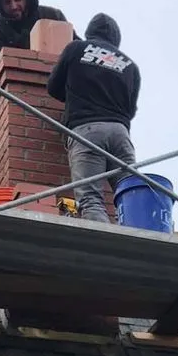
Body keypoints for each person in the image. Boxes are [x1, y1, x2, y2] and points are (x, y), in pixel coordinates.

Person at [46, 13, 140, 223]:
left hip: (87, 130)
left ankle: (104, 249)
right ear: (116, 39)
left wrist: (76, 98)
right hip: (120, 133)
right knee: (131, 194)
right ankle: (138, 241)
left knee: (90, 199)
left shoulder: (76, 49)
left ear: (89, 33)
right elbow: (130, 110)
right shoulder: (130, 66)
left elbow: (53, 87)